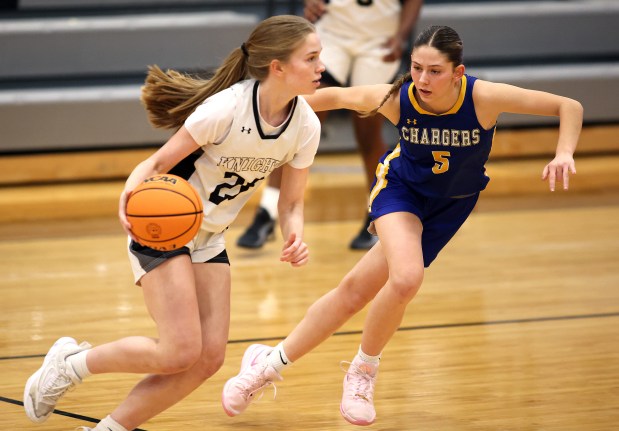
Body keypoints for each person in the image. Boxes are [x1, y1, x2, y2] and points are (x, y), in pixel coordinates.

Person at [221, 25, 583, 426]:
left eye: (434, 71)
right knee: (407, 278)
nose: (423, 80)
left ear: (458, 73)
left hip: (450, 207)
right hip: (401, 193)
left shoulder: (483, 97)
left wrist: (564, 152)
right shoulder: (397, 97)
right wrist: (254, 103)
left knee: (354, 292)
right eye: (416, 68)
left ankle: (266, 362)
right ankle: (362, 371)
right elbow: (330, 97)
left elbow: (568, 105)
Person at [23, 15, 325, 431]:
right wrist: (129, 195)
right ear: (278, 67)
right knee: (177, 350)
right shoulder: (226, 108)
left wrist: (295, 234)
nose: (321, 66)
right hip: (164, 226)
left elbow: (291, 202)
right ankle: (71, 365)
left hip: (209, 236)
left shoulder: (306, 125)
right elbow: (157, 162)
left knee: (207, 359)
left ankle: (107, 429)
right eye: (310, 58)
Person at [237, 0, 424, 250]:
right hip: (333, 33)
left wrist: (401, 35)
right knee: (299, 118)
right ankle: (268, 212)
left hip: (380, 38)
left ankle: (377, 214)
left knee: (368, 132)